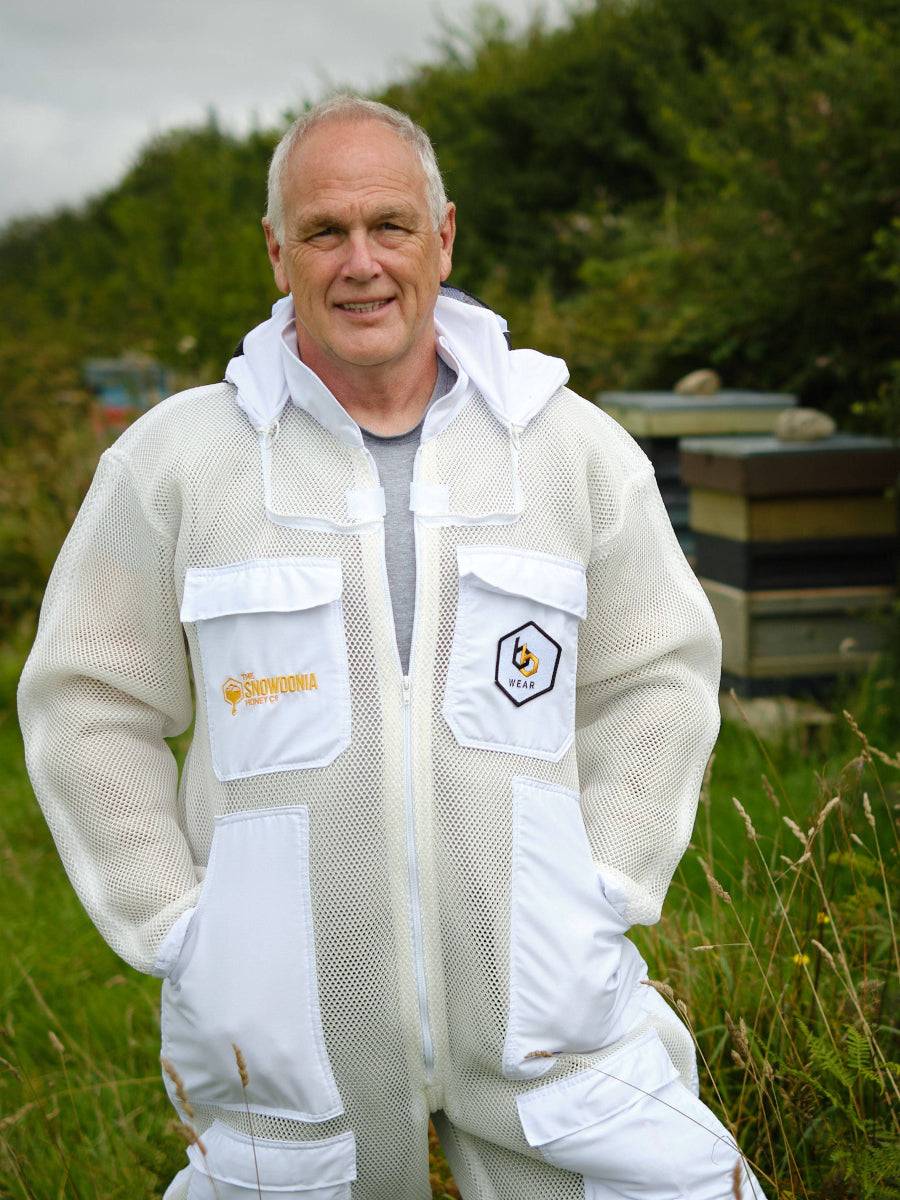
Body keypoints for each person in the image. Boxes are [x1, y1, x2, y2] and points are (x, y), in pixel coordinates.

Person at [18, 94, 767, 1200]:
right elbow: (89, 700)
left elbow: (655, 671)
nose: (360, 263)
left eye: (390, 226)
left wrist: (599, 886)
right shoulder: (179, 462)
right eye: (325, 232)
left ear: (444, 236)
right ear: (278, 253)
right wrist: (182, 929)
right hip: (282, 1036)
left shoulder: (568, 447)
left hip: (547, 1008)